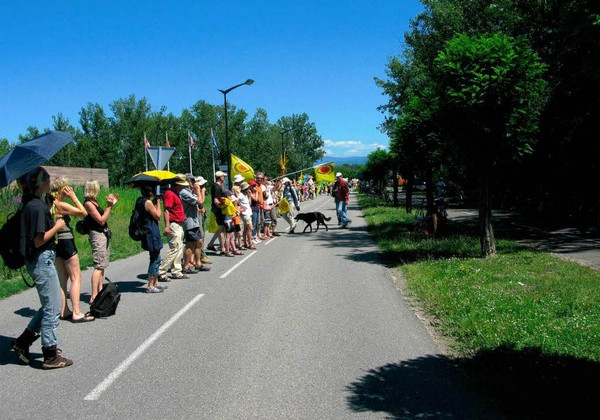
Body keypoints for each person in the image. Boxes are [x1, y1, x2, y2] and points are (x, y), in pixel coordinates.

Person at [11, 166, 73, 369]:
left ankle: (22, 342)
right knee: (53, 307)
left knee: (50, 305)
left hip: (39, 260)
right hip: (41, 259)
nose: (50, 182)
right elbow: (38, 241)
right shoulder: (36, 207)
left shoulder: (30, 203)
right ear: (41, 183)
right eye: (47, 179)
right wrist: (57, 226)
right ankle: (50, 354)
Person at [46, 177, 94, 323]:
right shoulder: (60, 204)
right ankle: (77, 312)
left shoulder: (49, 203)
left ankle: (64, 310)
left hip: (56, 242)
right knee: (76, 277)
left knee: (62, 279)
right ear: (63, 189)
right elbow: (83, 213)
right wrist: (73, 197)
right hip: (66, 241)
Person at [83, 180, 118, 303]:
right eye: (97, 188)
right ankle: (94, 296)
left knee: (102, 264)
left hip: (103, 234)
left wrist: (110, 204)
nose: (98, 190)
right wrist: (109, 206)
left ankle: (100, 291)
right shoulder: (88, 203)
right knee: (99, 265)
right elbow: (101, 220)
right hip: (97, 235)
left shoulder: (94, 202)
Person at [157, 175, 187, 281]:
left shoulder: (176, 193)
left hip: (179, 223)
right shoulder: (169, 194)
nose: (183, 187)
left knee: (179, 248)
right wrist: (167, 226)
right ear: (177, 184)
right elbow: (166, 210)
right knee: (175, 248)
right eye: (181, 185)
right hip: (174, 224)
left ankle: (176, 271)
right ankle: (161, 271)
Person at [137, 186, 167, 293]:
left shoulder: (140, 201)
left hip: (147, 231)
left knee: (156, 256)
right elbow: (158, 216)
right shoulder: (148, 203)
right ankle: (150, 285)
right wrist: (158, 203)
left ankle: (156, 282)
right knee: (155, 258)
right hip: (151, 232)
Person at [180, 174, 210, 273]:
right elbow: (200, 201)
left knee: (199, 242)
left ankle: (198, 263)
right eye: (193, 181)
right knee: (190, 244)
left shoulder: (189, 192)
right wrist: (199, 191)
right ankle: (185, 265)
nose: (195, 183)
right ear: (188, 182)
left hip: (194, 221)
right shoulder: (184, 192)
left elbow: (200, 204)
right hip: (188, 221)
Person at [206, 171, 226, 252]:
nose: (224, 178)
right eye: (223, 176)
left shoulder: (218, 186)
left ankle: (221, 246)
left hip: (218, 209)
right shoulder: (217, 187)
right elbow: (216, 200)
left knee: (221, 228)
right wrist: (222, 207)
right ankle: (212, 244)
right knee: (221, 227)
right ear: (220, 177)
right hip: (218, 210)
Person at [239, 182, 255, 249]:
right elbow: (236, 202)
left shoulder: (246, 195)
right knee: (250, 228)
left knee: (246, 229)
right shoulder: (241, 195)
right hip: (245, 214)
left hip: (248, 212)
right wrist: (240, 209)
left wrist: (249, 196)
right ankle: (250, 243)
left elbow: (249, 203)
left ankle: (245, 243)